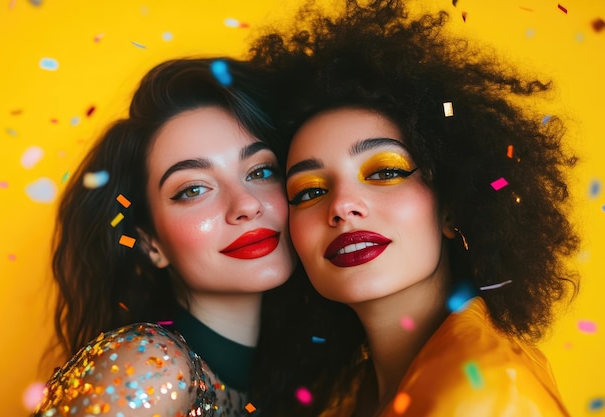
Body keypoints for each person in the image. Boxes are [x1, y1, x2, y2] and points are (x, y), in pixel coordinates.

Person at [248, 0, 580, 415]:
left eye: (385, 172)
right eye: (309, 192)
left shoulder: (483, 393)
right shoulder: (347, 391)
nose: (343, 205)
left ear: (451, 208)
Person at [33, 57, 296, 416]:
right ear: (149, 243)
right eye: (192, 189)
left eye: (261, 170)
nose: (246, 204)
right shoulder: (150, 368)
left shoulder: (276, 383)